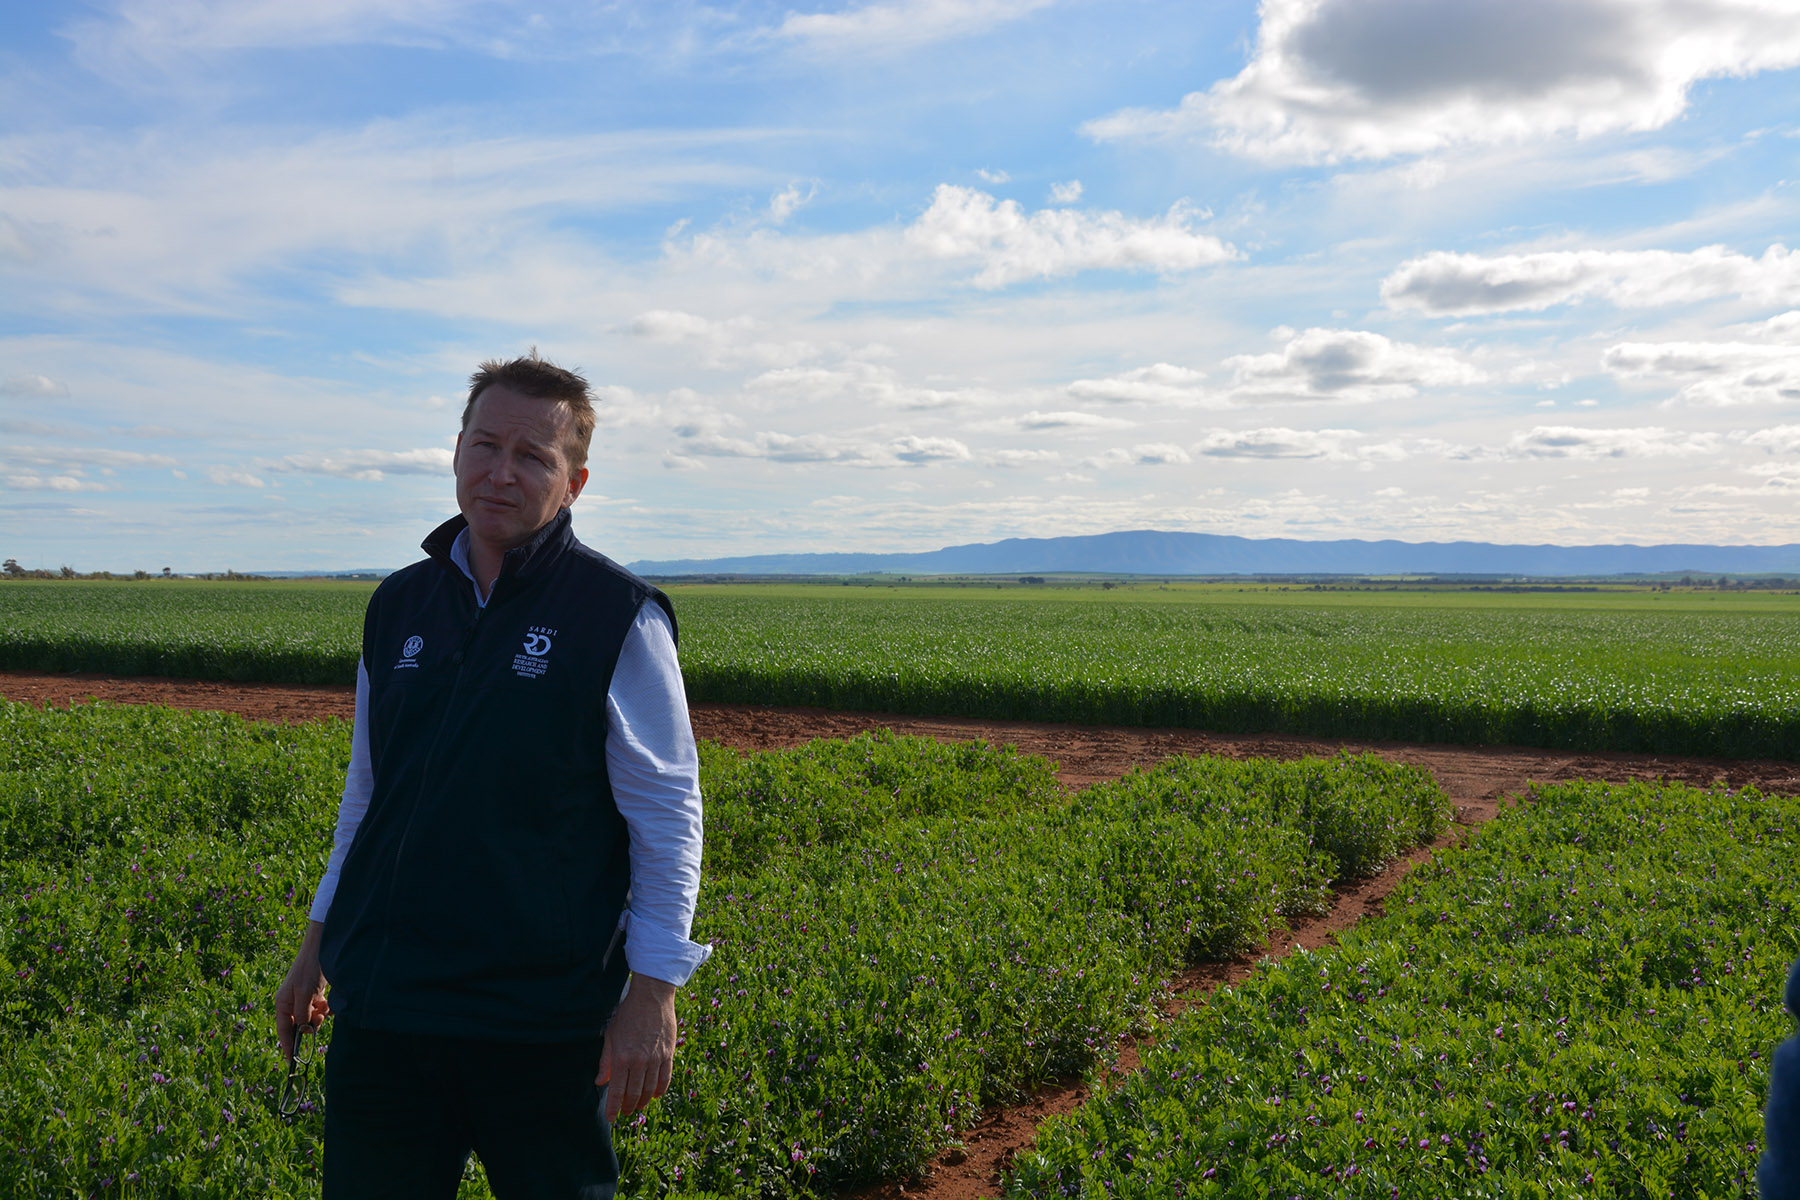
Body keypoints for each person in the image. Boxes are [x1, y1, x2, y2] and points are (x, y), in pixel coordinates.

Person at [275, 351, 709, 1199]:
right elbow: (369, 794)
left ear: (574, 481)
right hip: (388, 1012)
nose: (500, 473)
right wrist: (317, 944)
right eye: (484, 445)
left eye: (532, 457)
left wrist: (652, 993)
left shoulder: (615, 615)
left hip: (538, 1025)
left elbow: (668, 816)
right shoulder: (397, 605)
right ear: (456, 452)